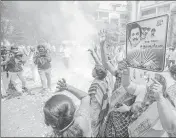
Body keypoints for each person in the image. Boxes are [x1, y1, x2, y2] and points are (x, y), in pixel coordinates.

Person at [98, 30, 146, 137]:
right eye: (120, 64)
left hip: (125, 117)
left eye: (123, 64)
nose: (120, 66)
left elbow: (141, 104)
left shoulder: (138, 80)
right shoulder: (118, 74)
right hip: (113, 112)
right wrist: (102, 45)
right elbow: (106, 63)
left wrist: (129, 108)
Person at [121, 66, 176, 137]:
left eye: (155, 85)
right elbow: (127, 85)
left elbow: (171, 127)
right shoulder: (144, 90)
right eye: (149, 82)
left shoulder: (166, 104)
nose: (150, 87)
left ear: (162, 88)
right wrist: (125, 73)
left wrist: (160, 98)